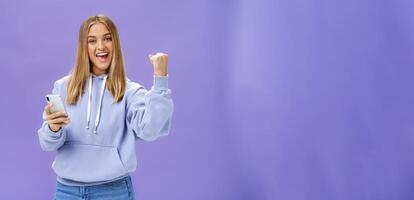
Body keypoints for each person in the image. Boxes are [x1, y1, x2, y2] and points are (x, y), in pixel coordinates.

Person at [37, 14, 173, 200]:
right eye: (92, 41)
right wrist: (53, 128)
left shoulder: (130, 91)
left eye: (107, 38)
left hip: (113, 192)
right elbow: (47, 144)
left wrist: (160, 79)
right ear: (83, 47)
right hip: (67, 192)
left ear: (115, 43)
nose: (101, 47)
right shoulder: (63, 87)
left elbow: (150, 130)